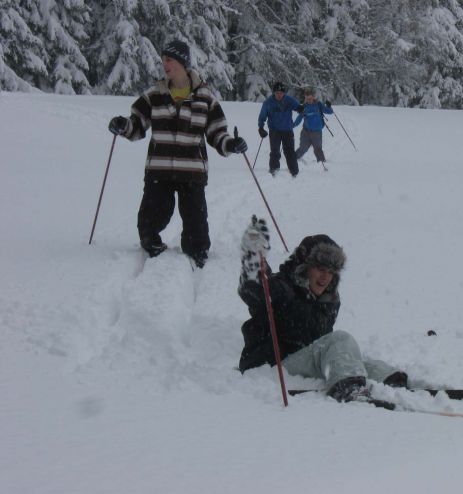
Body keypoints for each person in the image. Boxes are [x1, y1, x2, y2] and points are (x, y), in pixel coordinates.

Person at [107, 40, 247, 268]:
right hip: (159, 169)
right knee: (150, 218)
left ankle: (197, 253)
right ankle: (152, 246)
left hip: (192, 171)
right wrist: (124, 125)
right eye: (163, 60)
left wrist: (231, 145)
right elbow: (137, 124)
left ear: (183, 63)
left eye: (169, 60)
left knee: (196, 223)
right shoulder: (154, 95)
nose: (165, 65)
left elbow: (217, 133)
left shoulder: (205, 98)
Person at [237, 216, 408, 402]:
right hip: (272, 366)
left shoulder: (329, 300)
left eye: (331, 271)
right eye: (320, 268)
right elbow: (253, 290)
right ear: (304, 267)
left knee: (351, 357)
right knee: (340, 340)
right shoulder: (283, 287)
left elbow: (321, 344)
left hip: (304, 360)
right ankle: (347, 387)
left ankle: (391, 382)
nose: (325, 277)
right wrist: (253, 260)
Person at [257, 82, 303, 177]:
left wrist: (300, 108)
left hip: (287, 130)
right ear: (274, 93)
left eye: (281, 93)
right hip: (274, 131)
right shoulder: (268, 103)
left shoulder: (289, 100)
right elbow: (262, 116)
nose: (279, 95)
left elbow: (298, 106)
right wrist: (261, 128)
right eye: (277, 93)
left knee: (290, 151)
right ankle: (274, 170)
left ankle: (294, 172)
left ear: (284, 93)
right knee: (275, 151)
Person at [293, 88, 333, 164]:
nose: (308, 100)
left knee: (318, 149)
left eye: (310, 99)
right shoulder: (304, 107)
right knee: (303, 148)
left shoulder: (319, 105)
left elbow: (330, 112)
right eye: (307, 99)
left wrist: (329, 106)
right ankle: (293, 159)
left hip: (317, 132)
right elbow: (299, 118)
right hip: (306, 132)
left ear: (313, 97)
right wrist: (292, 125)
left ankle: (322, 163)